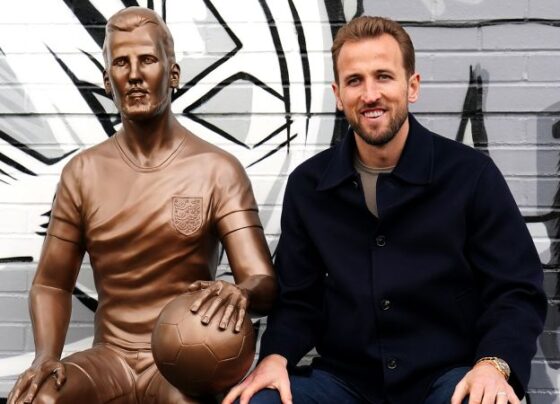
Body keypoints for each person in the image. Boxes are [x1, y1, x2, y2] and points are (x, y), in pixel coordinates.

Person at [223, 16, 546, 404]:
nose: (370, 94)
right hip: (345, 383)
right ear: (338, 95)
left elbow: (517, 289)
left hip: (447, 378)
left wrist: (494, 366)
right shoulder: (309, 186)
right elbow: (298, 300)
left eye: (383, 77)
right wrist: (275, 358)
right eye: (355, 81)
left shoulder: (470, 175)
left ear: (412, 86)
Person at [8, 6, 276, 404]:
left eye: (147, 59)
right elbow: (50, 283)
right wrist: (46, 356)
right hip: (108, 358)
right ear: (106, 80)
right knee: (40, 397)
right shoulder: (82, 173)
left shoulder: (217, 170)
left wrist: (241, 293)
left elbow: (263, 281)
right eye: (121, 62)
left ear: (173, 74)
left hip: (178, 364)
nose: (134, 74)